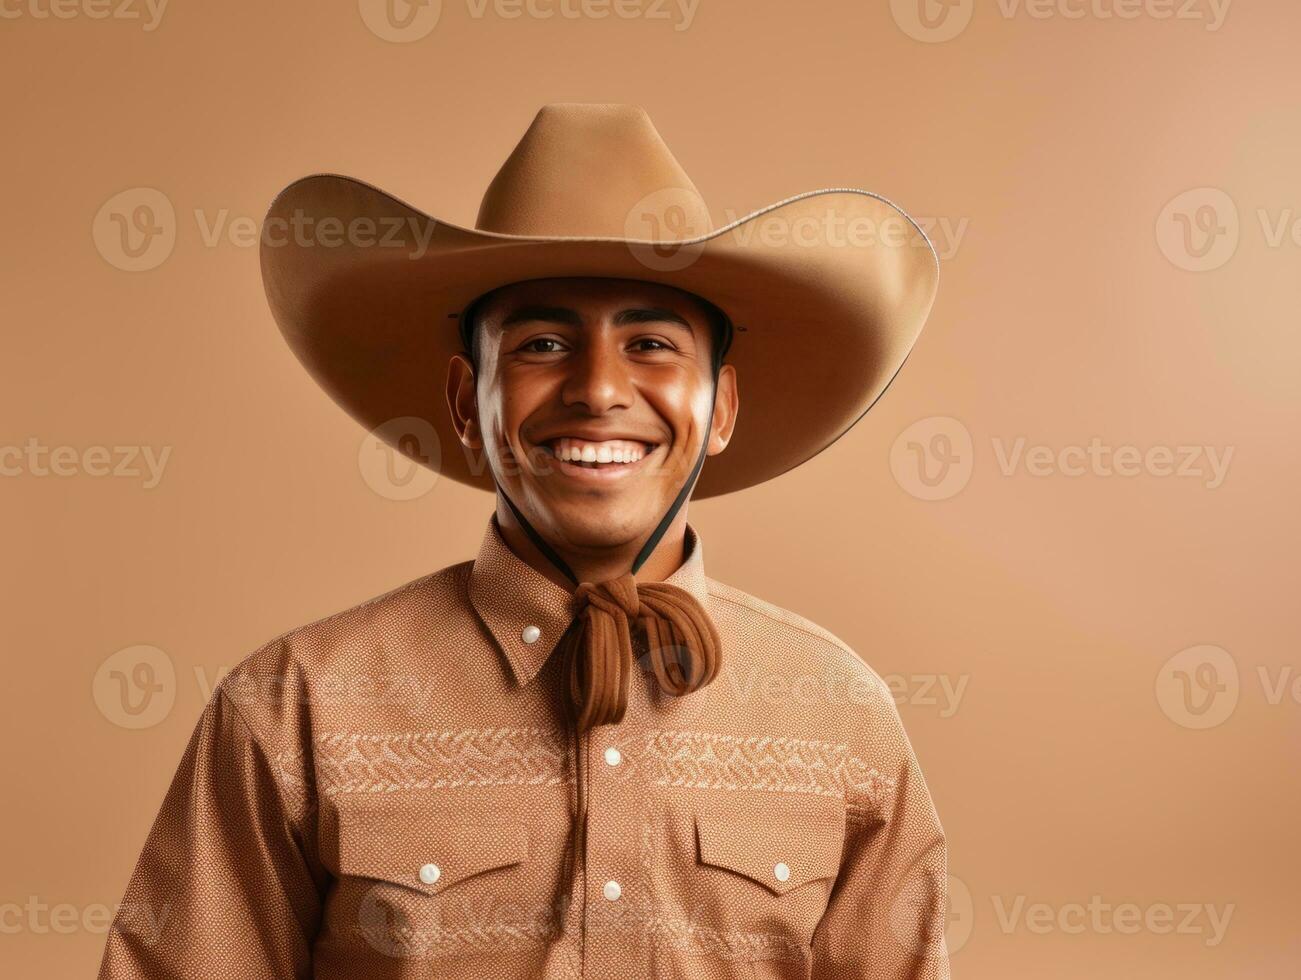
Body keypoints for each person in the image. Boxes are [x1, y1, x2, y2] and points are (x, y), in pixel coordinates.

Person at [98, 103, 949, 980]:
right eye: (543, 343)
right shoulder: (294, 708)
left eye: (650, 343)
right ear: (468, 404)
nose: (598, 389)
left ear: (721, 407)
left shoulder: (839, 714)